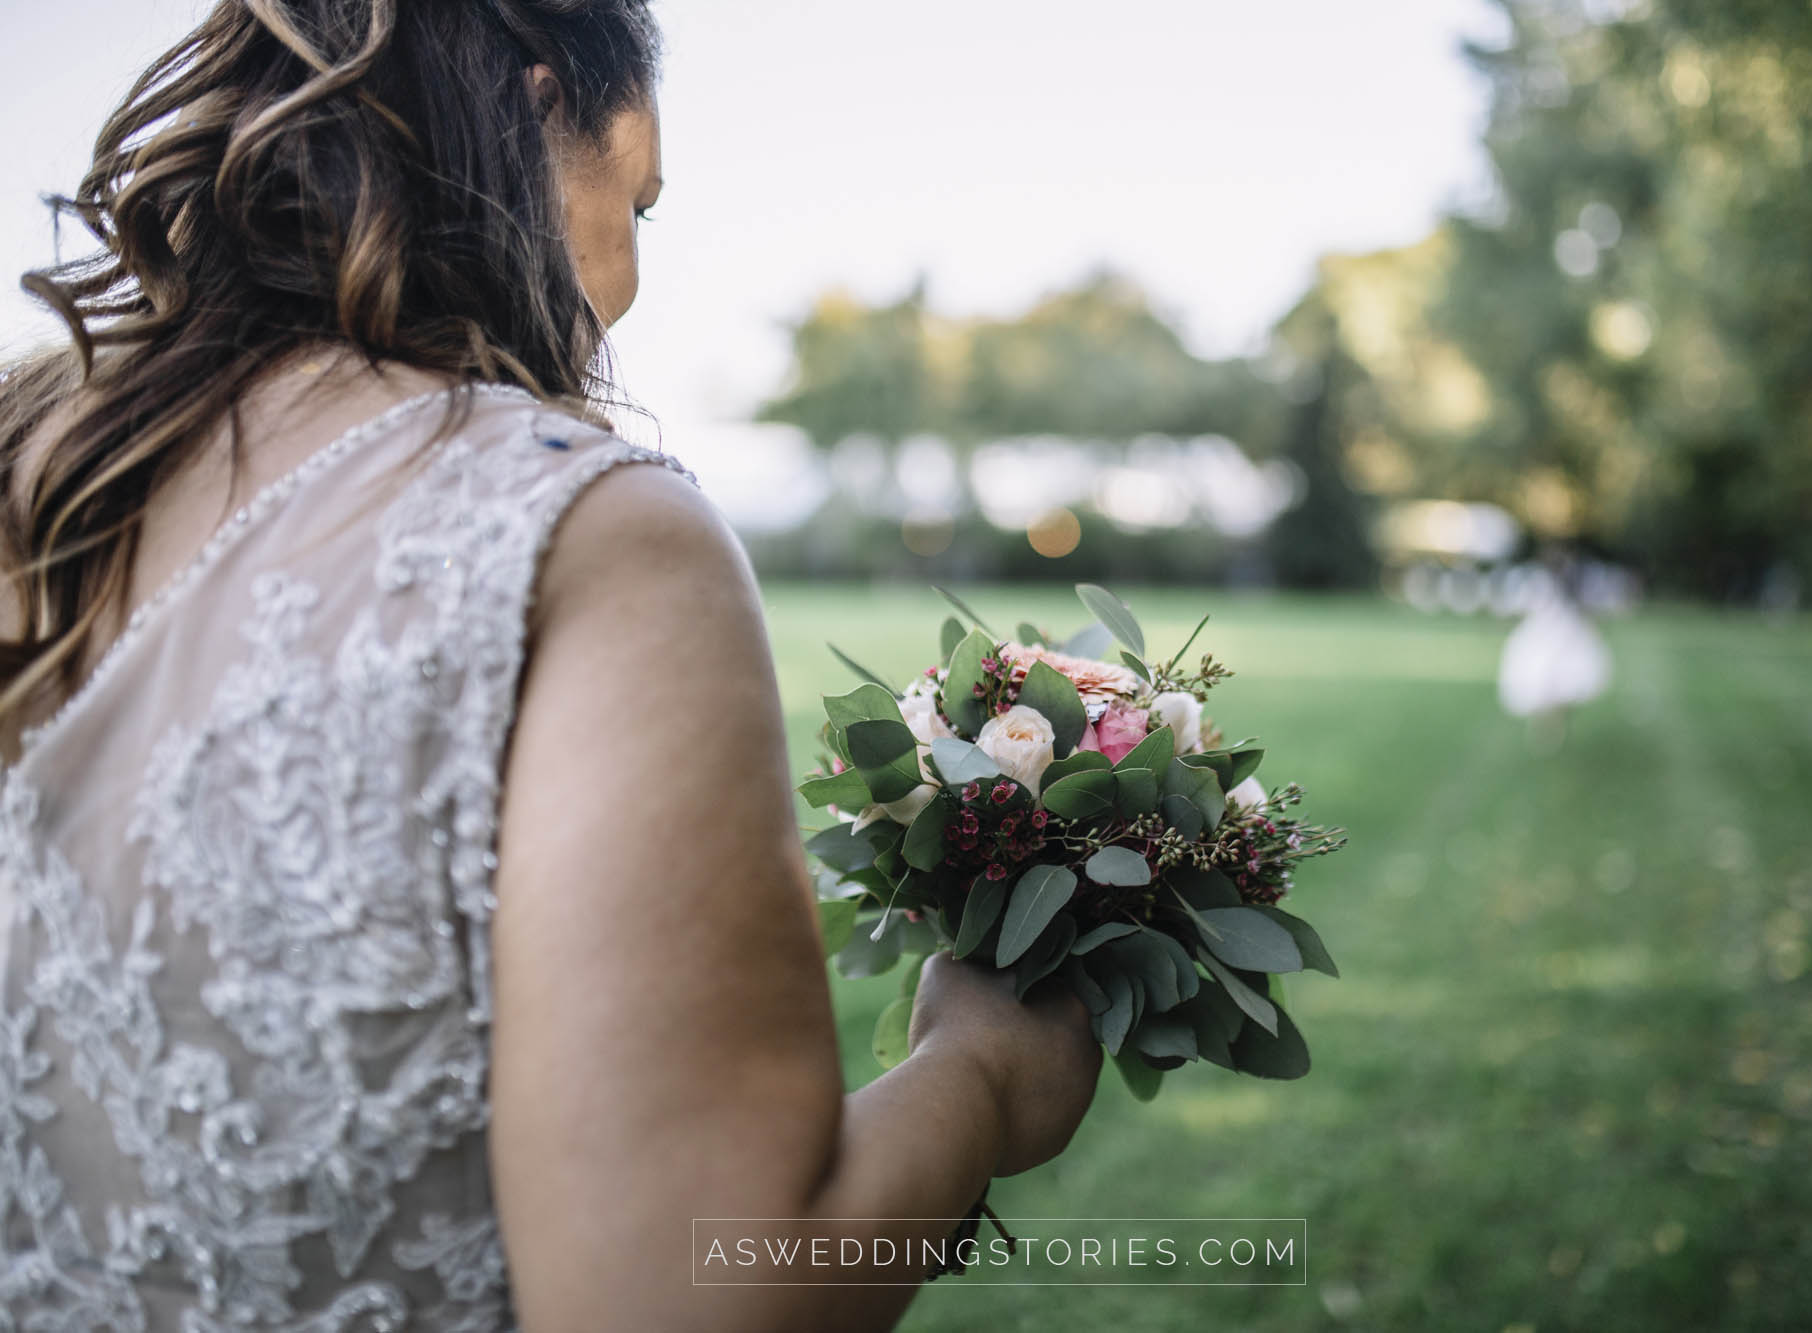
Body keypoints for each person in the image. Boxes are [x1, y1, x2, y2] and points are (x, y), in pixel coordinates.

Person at [0, 2, 1100, 1328]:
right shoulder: (586, 533)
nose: (630, 277)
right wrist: (980, 1073)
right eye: (640, 200)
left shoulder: (35, 465)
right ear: (526, 118)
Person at [1495, 546, 1613, 750]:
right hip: (1548, 640)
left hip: (1561, 641)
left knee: (1558, 685)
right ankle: (1550, 723)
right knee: (1547, 685)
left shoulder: (1563, 585)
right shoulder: (1546, 584)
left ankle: (1552, 722)